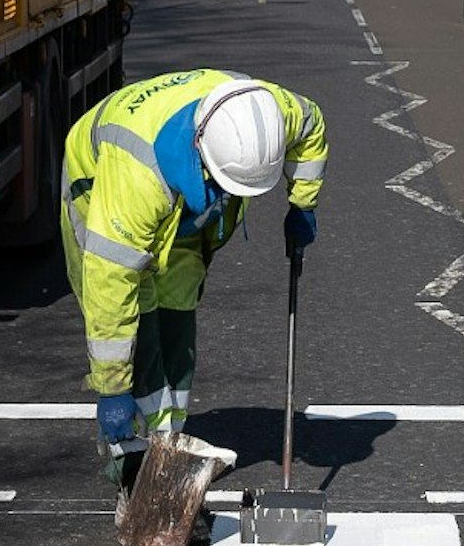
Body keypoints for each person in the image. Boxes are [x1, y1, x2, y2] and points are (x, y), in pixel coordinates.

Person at [63, 69, 330, 491]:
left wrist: (302, 203)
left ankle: (170, 438)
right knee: (139, 317)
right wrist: (111, 388)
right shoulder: (135, 179)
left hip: (184, 195)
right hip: (99, 181)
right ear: (204, 157)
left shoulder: (273, 111)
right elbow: (109, 286)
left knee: (178, 300)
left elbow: (312, 127)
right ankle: (135, 454)